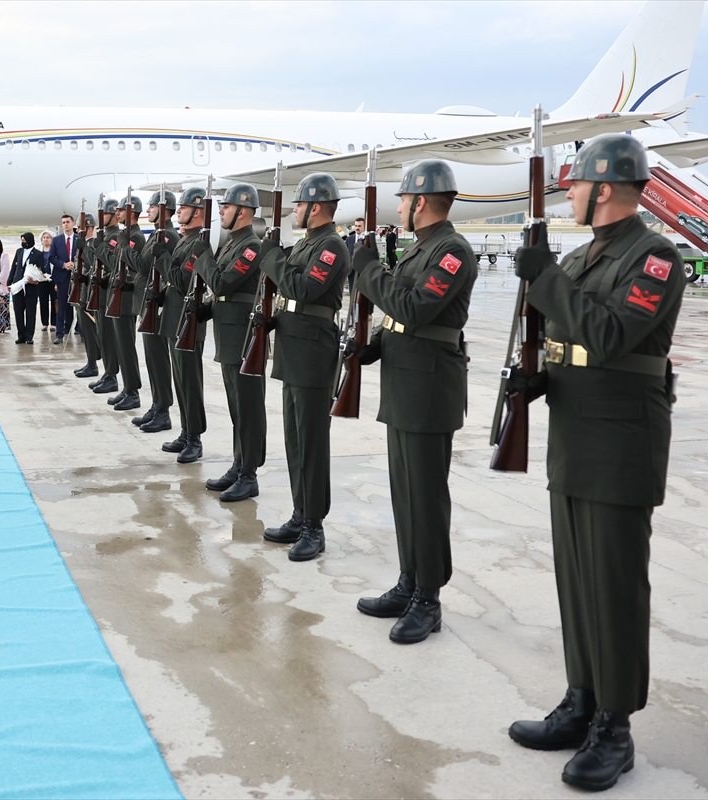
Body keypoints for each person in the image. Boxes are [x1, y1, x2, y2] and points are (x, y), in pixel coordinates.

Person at [506, 135, 685, 793]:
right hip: (575, 435)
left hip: (620, 442)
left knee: (613, 585)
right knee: (577, 580)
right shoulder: (584, 255)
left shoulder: (655, 258)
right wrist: (539, 379)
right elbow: (571, 337)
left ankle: (615, 726)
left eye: (576, 184)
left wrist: (546, 279)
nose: (570, 195)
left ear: (604, 188)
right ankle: (581, 700)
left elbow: (609, 336)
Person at [352, 161, 476, 644]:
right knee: (405, 493)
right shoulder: (421, 247)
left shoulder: (451, 251)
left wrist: (367, 270)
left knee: (425, 497)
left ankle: (429, 598)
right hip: (405, 383)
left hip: (429, 389)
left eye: (403, 199)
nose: (400, 207)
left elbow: (414, 307)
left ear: (420, 202)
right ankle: (409, 581)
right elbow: (401, 314)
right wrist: (375, 345)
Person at [259, 173, 350, 562]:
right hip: (293, 349)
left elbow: (302, 289)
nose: (294, 210)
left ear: (315, 207)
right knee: (295, 441)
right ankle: (300, 514)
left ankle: (315, 526)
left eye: (298, 204)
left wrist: (272, 257)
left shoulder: (331, 246)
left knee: (312, 444)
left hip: (313, 353)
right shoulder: (307, 243)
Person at [194, 181, 267, 500]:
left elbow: (224, 283)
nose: (221, 211)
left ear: (244, 211)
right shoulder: (233, 243)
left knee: (248, 407)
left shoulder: (252, 245)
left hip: (242, 337)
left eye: (227, 206)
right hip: (228, 335)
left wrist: (204, 259)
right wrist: (206, 309)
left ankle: (249, 474)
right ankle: (239, 465)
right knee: (236, 406)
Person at [157, 187, 211, 464]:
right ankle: (185, 431)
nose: (178, 211)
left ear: (198, 211)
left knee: (190, 382)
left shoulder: (199, 242)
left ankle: (195, 439)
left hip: (187, 320)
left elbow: (181, 280)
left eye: (184, 207)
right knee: (180, 380)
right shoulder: (186, 239)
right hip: (174, 317)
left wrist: (163, 258)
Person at [133, 190, 177, 433]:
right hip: (148, 302)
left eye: (151, 206)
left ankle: (163, 410)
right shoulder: (157, 234)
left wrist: (127, 250)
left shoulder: (167, 235)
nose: (148, 210)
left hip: (158, 306)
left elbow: (143, 265)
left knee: (158, 359)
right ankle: (157, 404)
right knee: (151, 358)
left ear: (164, 209)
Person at [104, 199, 146, 412]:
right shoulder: (125, 235)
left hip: (128, 297)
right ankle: (127, 387)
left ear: (132, 212)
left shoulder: (136, 237)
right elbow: (114, 264)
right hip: (119, 293)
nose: (117, 213)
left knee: (127, 346)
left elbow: (135, 266)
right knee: (121, 345)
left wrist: (123, 244)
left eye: (121, 210)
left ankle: (133, 391)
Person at [86, 198, 121, 396]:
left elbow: (112, 265)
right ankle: (108, 373)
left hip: (109, 292)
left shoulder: (115, 236)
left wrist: (98, 247)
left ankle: (111, 375)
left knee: (108, 337)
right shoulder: (106, 235)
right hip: (100, 291)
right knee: (102, 335)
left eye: (105, 214)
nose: (102, 218)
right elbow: (93, 262)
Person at [72, 217, 102, 378]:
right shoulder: (82, 244)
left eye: (79, 228)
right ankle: (91, 362)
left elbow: (95, 264)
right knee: (86, 331)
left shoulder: (94, 244)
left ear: (88, 228)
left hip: (90, 293)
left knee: (91, 331)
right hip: (81, 292)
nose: (77, 231)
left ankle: (93, 363)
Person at [9, 232, 46, 343]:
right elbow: (14, 267)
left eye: (25, 240)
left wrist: (36, 280)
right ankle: (21, 335)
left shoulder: (38, 254)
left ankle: (29, 336)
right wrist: (9, 282)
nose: (23, 242)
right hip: (18, 286)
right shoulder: (19, 251)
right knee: (18, 312)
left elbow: (41, 270)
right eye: (22, 240)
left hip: (31, 287)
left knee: (30, 312)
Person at [47, 215, 77, 343]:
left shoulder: (79, 239)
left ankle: (81, 331)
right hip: (62, 275)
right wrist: (63, 265)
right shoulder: (57, 240)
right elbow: (51, 257)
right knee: (61, 305)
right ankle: (60, 334)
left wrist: (75, 264)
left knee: (79, 304)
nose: (65, 224)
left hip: (76, 276)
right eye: (63, 222)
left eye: (68, 222)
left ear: (73, 223)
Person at [37, 231, 55, 335]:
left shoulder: (55, 250)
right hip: (42, 280)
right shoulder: (39, 251)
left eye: (48, 237)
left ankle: (54, 323)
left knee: (54, 301)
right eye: (44, 237)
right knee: (43, 302)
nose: (46, 239)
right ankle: (44, 323)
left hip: (53, 279)